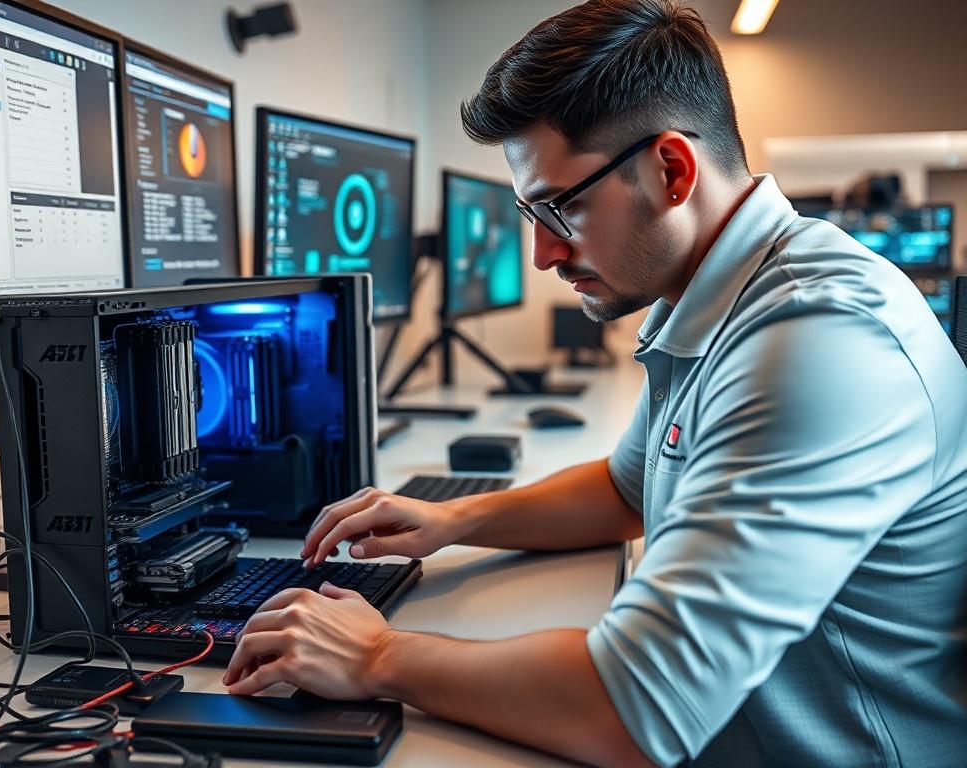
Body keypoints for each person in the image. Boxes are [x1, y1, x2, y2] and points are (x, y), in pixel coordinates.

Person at [221, 1, 967, 765]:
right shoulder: (725, 296)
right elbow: (627, 491)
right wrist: (456, 519)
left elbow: (635, 702)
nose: (543, 253)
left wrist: (377, 657)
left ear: (672, 170)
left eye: (560, 208)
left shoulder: (818, 338)